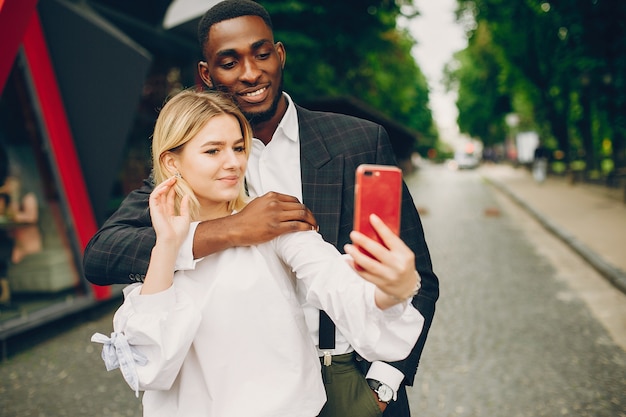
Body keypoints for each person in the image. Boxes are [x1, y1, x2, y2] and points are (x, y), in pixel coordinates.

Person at [83, 1, 439, 416]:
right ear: (206, 74)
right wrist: (231, 229)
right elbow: (102, 254)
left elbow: (408, 279)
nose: (251, 73)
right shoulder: (181, 185)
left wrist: (383, 381)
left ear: (280, 54)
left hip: (345, 374)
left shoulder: (356, 141)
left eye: (261, 53)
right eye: (230, 61)